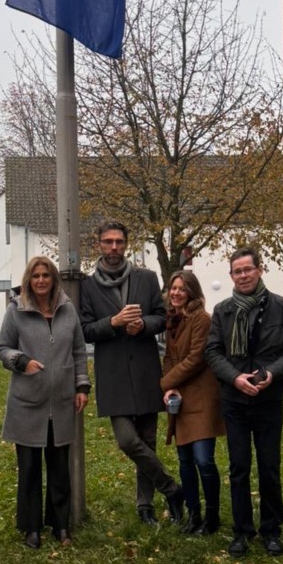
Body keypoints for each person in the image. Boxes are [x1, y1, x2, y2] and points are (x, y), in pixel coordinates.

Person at [205, 247, 283, 559]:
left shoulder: (282, 309)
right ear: (232, 276)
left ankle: (271, 530)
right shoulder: (222, 311)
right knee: (238, 467)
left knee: (268, 466)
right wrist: (235, 377)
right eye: (237, 271)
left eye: (248, 269)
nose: (243, 275)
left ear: (259, 270)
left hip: (268, 399)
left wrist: (273, 374)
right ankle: (242, 531)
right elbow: (212, 352)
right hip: (234, 401)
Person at [80, 221, 186, 526]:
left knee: (148, 440)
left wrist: (144, 326)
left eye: (119, 242)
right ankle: (172, 488)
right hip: (112, 375)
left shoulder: (147, 278)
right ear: (98, 244)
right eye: (108, 242)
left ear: (127, 244)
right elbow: (86, 330)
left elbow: (161, 317)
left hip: (144, 368)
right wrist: (113, 322)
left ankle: (145, 505)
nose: (114, 247)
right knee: (128, 440)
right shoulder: (88, 286)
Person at [0, 256, 90, 549]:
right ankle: (31, 527)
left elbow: (78, 351)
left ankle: (61, 524)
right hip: (27, 402)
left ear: (53, 280)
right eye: (35, 275)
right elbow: (2, 348)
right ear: (28, 279)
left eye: (45, 275)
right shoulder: (16, 310)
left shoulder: (67, 309)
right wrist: (21, 361)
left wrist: (82, 386)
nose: (40, 280)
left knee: (60, 469)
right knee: (30, 469)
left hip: (61, 402)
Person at [160, 269, 226, 536]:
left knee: (203, 460)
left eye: (181, 288)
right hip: (180, 398)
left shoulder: (202, 319)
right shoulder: (173, 320)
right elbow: (170, 358)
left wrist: (164, 383)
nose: (176, 293)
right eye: (173, 288)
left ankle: (212, 516)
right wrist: (170, 385)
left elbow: (196, 358)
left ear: (192, 292)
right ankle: (193, 513)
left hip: (201, 397)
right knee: (185, 460)